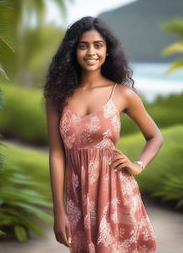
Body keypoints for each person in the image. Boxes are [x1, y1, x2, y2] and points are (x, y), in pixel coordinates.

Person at [43, 16, 163, 253]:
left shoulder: (122, 94)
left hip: (117, 194)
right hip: (79, 198)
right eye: (83, 45)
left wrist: (138, 164)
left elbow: (155, 136)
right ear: (73, 51)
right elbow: (57, 153)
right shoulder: (57, 97)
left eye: (98, 45)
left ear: (107, 51)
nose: (91, 52)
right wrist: (59, 210)